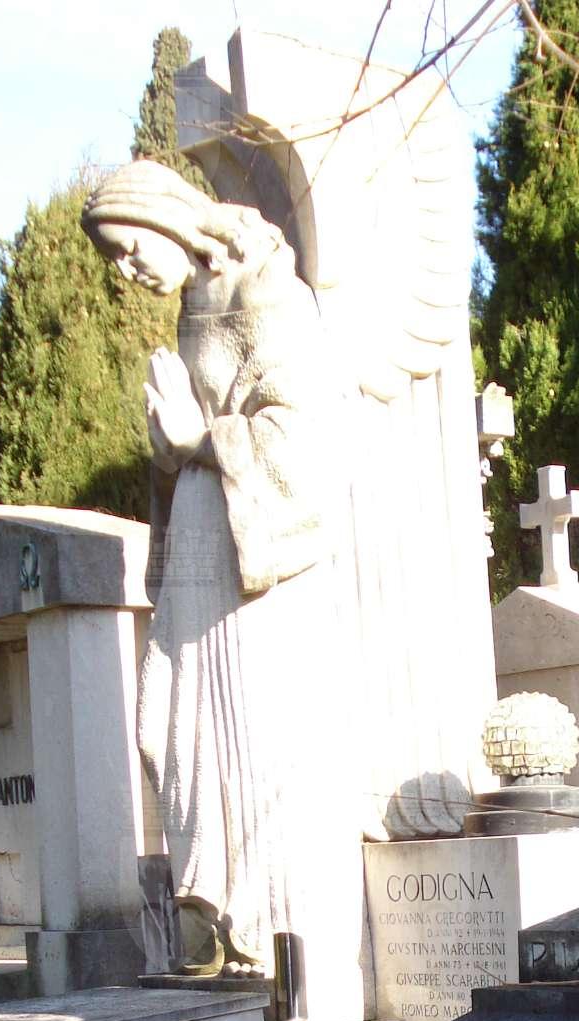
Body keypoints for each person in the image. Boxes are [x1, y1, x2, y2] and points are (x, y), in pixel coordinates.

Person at [82, 159, 345, 978]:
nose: (127, 270)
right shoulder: (191, 303)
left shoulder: (273, 292)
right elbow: (192, 433)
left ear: (166, 218)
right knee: (168, 723)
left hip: (251, 554)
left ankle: (259, 930)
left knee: (250, 731)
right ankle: (205, 916)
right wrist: (170, 453)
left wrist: (199, 441)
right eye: (113, 260)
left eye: (130, 248)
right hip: (200, 535)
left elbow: (300, 436)